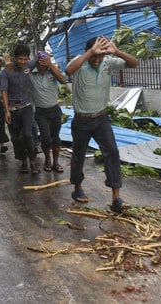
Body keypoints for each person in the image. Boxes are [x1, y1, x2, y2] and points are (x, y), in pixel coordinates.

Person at [65, 36, 139, 213]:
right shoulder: (80, 61)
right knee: (79, 155)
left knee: (112, 152)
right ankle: (77, 188)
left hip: (101, 118)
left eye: (100, 57)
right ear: (88, 53)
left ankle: (116, 198)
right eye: (94, 57)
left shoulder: (108, 62)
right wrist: (91, 52)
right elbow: (68, 71)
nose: (97, 61)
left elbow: (134, 63)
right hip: (81, 119)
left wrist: (116, 52)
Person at [0, 44, 39, 174]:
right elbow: (4, 91)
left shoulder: (29, 65)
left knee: (28, 135)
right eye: (20, 59)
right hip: (12, 109)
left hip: (26, 107)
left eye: (25, 59)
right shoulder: (6, 72)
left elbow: (40, 57)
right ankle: (23, 161)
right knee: (16, 138)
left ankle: (33, 162)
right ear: (15, 58)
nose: (22, 62)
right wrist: (6, 111)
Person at [29, 50, 67, 173]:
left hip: (55, 110)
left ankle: (56, 162)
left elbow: (63, 80)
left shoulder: (52, 72)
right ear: (36, 63)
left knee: (55, 138)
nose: (43, 66)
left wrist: (50, 65)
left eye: (45, 63)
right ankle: (48, 160)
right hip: (41, 112)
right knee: (46, 138)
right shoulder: (31, 74)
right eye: (41, 63)